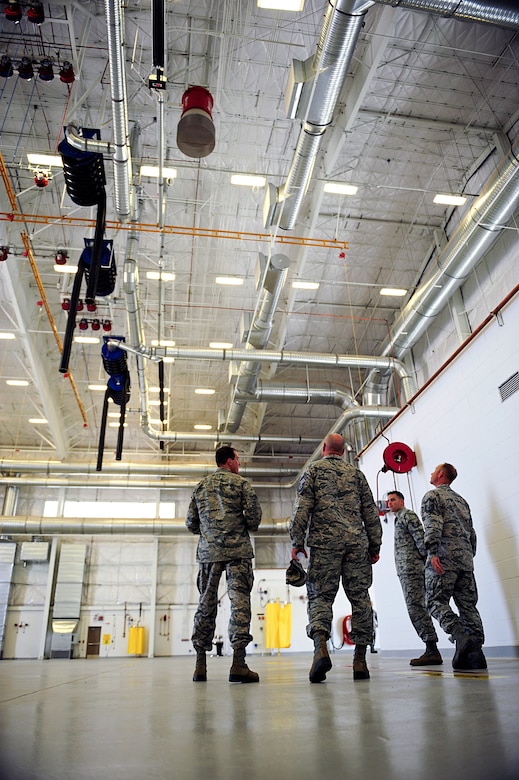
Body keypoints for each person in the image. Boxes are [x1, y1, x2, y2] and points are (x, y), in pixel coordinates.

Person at [289, 433, 382, 683]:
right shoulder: (357, 475)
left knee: (320, 596)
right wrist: (375, 545)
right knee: (361, 598)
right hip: (356, 545)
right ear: (342, 451)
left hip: (324, 544)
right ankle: (360, 659)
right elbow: (370, 514)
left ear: (324, 449)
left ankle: (320, 647)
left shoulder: (314, 471)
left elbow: (302, 510)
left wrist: (297, 543)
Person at [186, 445, 262, 683]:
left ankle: (200, 665)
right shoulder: (242, 485)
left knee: (206, 604)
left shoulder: (200, 487)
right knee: (240, 605)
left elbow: (190, 523)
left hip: (209, 553)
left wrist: (209, 531)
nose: (239, 463)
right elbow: (254, 520)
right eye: (237, 459)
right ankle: (238, 663)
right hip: (237, 552)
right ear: (228, 461)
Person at [421, 463, 486, 671]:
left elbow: (433, 524)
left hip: (443, 557)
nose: (431, 473)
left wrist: (432, 552)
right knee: (468, 606)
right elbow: (472, 533)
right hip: (465, 560)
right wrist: (468, 556)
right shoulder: (462, 501)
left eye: (434, 470)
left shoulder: (432, 496)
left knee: (434, 601)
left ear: (440, 475)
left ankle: (460, 635)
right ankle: (476, 654)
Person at [387, 490, 442, 666]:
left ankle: (432, 649)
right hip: (406, 571)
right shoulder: (399, 519)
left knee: (416, 608)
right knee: (416, 607)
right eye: (388, 501)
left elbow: (421, 540)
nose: (389, 503)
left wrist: (427, 565)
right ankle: (431, 648)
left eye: (393, 500)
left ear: (402, 501)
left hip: (413, 570)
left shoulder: (408, 516)